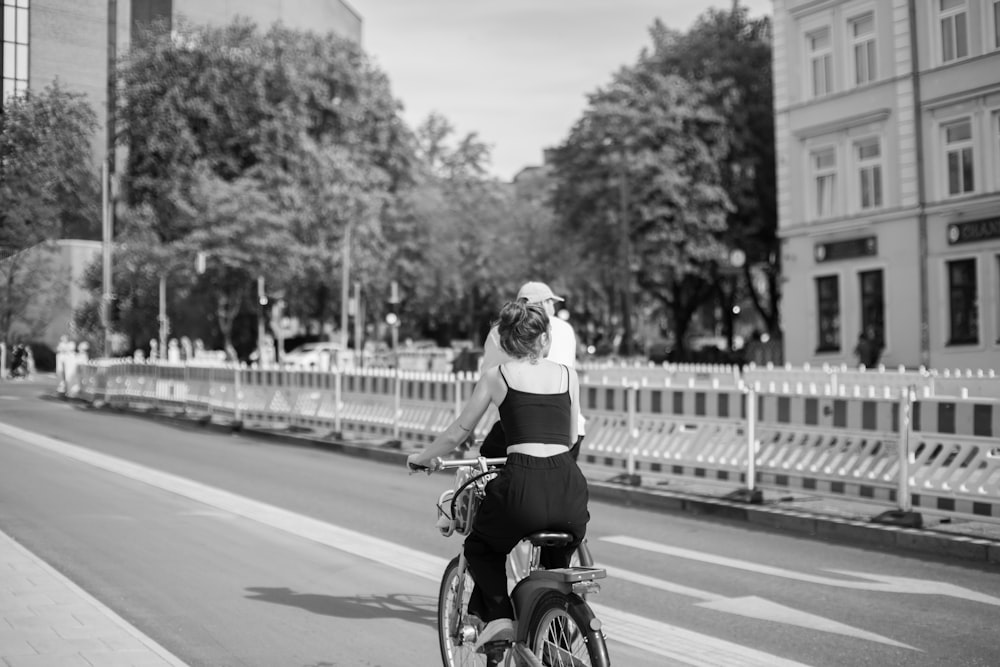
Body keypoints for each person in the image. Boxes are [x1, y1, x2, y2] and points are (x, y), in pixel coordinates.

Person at [407, 300, 590, 648]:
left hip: (522, 485)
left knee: (481, 548)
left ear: (504, 341)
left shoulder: (497, 376)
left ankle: (500, 619)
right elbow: (568, 437)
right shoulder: (569, 375)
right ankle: (554, 641)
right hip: (570, 487)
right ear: (545, 338)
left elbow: (457, 434)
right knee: (554, 570)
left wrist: (422, 458)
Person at [479, 281, 586, 459]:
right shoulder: (566, 329)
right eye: (551, 302)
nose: (553, 308)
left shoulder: (502, 330)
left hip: (522, 426)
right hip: (567, 427)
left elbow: (487, 380)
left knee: (488, 460)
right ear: (542, 303)